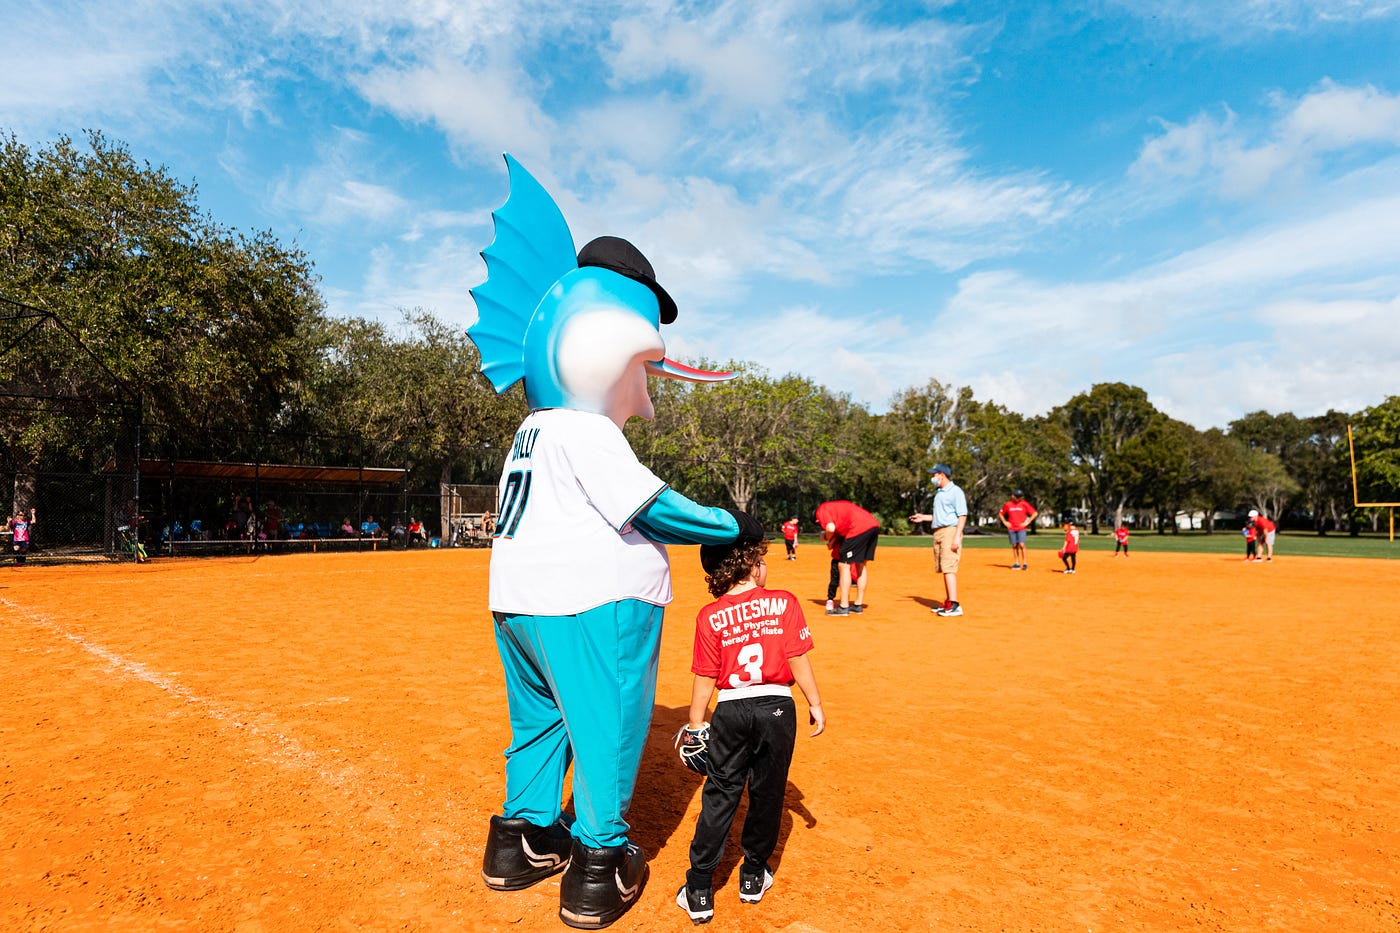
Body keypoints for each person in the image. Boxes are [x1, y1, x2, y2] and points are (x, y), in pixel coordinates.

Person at [470, 157, 754, 929]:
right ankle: (600, 863)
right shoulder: (586, 430)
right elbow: (653, 508)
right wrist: (734, 525)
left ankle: (520, 838)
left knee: (539, 722)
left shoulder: (529, 431)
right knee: (607, 725)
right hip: (595, 606)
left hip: (516, 605)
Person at [675, 531, 824, 924]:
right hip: (777, 707)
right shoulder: (784, 601)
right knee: (768, 793)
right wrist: (815, 703)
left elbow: (705, 676)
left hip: (731, 710)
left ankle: (700, 888)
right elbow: (797, 659)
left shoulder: (710, 615)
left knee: (721, 794)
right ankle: (753, 875)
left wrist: (695, 723)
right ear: (752, 565)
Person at [909, 463, 968, 617]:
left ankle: (955, 605)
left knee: (949, 568)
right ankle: (949, 602)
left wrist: (957, 537)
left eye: (934, 474)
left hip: (950, 531)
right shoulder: (940, 493)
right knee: (943, 567)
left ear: (942, 474)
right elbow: (940, 517)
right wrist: (923, 518)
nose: (932, 477)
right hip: (939, 532)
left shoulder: (956, 491)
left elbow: (962, 515)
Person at [813, 500, 879, 615]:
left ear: (816, 520)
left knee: (843, 565)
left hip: (858, 527)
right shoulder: (835, 507)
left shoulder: (821, 510)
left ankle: (843, 607)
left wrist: (826, 537)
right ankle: (858, 605)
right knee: (861, 564)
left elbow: (830, 528)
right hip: (873, 525)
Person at [998, 489, 1038, 570]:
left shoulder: (1024, 504)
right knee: (1014, 545)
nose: (1017, 498)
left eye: (1019, 496)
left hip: (1021, 528)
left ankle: (1025, 563)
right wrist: (1005, 522)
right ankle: (1016, 563)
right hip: (1012, 528)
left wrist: (1027, 522)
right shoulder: (1008, 504)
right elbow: (1001, 514)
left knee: (1022, 544)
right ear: (1012, 496)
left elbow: (1034, 513)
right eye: (1016, 496)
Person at [820, 528, 843, 615]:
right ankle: (830, 599)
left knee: (846, 582)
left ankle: (844, 602)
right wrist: (834, 539)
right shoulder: (836, 535)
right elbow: (829, 547)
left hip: (849, 561)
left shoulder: (851, 535)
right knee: (834, 580)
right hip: (837, 560)